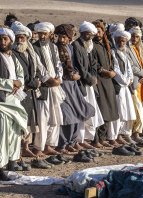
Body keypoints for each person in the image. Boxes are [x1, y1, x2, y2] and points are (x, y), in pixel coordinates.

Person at [0, 28, 27, 181]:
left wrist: (18, 83)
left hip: (14, 101)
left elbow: (21, 75)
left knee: (14, 133)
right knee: (1, 135)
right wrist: (12, 83)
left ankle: (12, 163)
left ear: (11, 41)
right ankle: (0, 168)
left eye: (5, 39)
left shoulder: (14, 58)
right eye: (0, 39)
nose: (2, 42)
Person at [55, 24, 94, 157]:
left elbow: (74, 65)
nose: (62, 39)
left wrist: (75, 74)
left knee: (77, 111)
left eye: (64, 37)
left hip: (73, 85)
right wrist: (69, 76)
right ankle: (62, 144)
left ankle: (71, 142)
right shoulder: (55, 49)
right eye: (60, 36)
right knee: (67, 115)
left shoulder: (70, 48)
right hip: (63, 85)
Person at [10, 23, 42, 161]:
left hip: (31, 92)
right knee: (18, 121)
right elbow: (20, 74)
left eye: (22, 38)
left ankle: (26, 147)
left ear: (27, 38)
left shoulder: (30, 52)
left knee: (29, 120)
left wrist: (38, 79)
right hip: (20, 91)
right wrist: (34, 83)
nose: (19, 40)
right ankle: (17, 151)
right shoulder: (13, 54)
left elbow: (38, 69)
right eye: (17, 37)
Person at [32, 22, 64, 156]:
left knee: (54, 116)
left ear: (50, 34)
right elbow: (38, 66)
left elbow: (58, 64)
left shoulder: (53, 47)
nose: (42, 36)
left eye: (45, 34)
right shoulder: (34, 48)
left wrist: (58, 78)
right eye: (40, 34)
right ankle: (39, 147)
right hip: (44, 87)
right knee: (43, 117)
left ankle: (49, 145)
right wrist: (49, 80)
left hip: (55, 87)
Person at [71, 22, 103, 150]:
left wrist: (94, 77)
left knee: (89, 112)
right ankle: (78, 140)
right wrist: (90, 79)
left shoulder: (89, 46)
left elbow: (93, 64)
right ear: (83, 33)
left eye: (91, 35)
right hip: (81, 85)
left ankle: (84, 139)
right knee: (81, 112)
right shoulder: (76, 45)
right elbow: (79, 66)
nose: (90, 37)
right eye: (88, 34)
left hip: (89, 84)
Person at [91, 21, 119, 147]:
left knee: (109, 109)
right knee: (100, 109)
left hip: (108, 81)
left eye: (100, 30)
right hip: (99, 79)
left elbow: (111, 61)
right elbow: (93, 62)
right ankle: (96, 139)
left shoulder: (106, 45)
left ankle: (102, 138)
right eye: (96, 31)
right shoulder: (91, 45)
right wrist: (103, 71)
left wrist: (112, 71)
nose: (98, 33)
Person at [111, 30, 138, 144]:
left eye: (124, 41)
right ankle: (116, 135)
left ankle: (123, 133)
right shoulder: (113, 52)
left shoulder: (125, 53)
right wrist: (125, 81)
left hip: (125, 87)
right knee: (119, 111)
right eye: (120, 41)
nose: (122, 43)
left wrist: (130, 79)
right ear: (116, 40)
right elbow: (115, 69)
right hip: (119, 86)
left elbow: (129, 69)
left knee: (126, 111)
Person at [126, 26, 143, 144]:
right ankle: (129, 134)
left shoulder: (140, 49)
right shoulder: (126, 49)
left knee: (141, 108)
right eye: (133, 36)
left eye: (137, 37)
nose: (135, 39)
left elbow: (142, 65)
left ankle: (137, 134)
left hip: (142, 84)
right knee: (134, 109)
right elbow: (131, 67)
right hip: (134, 84)